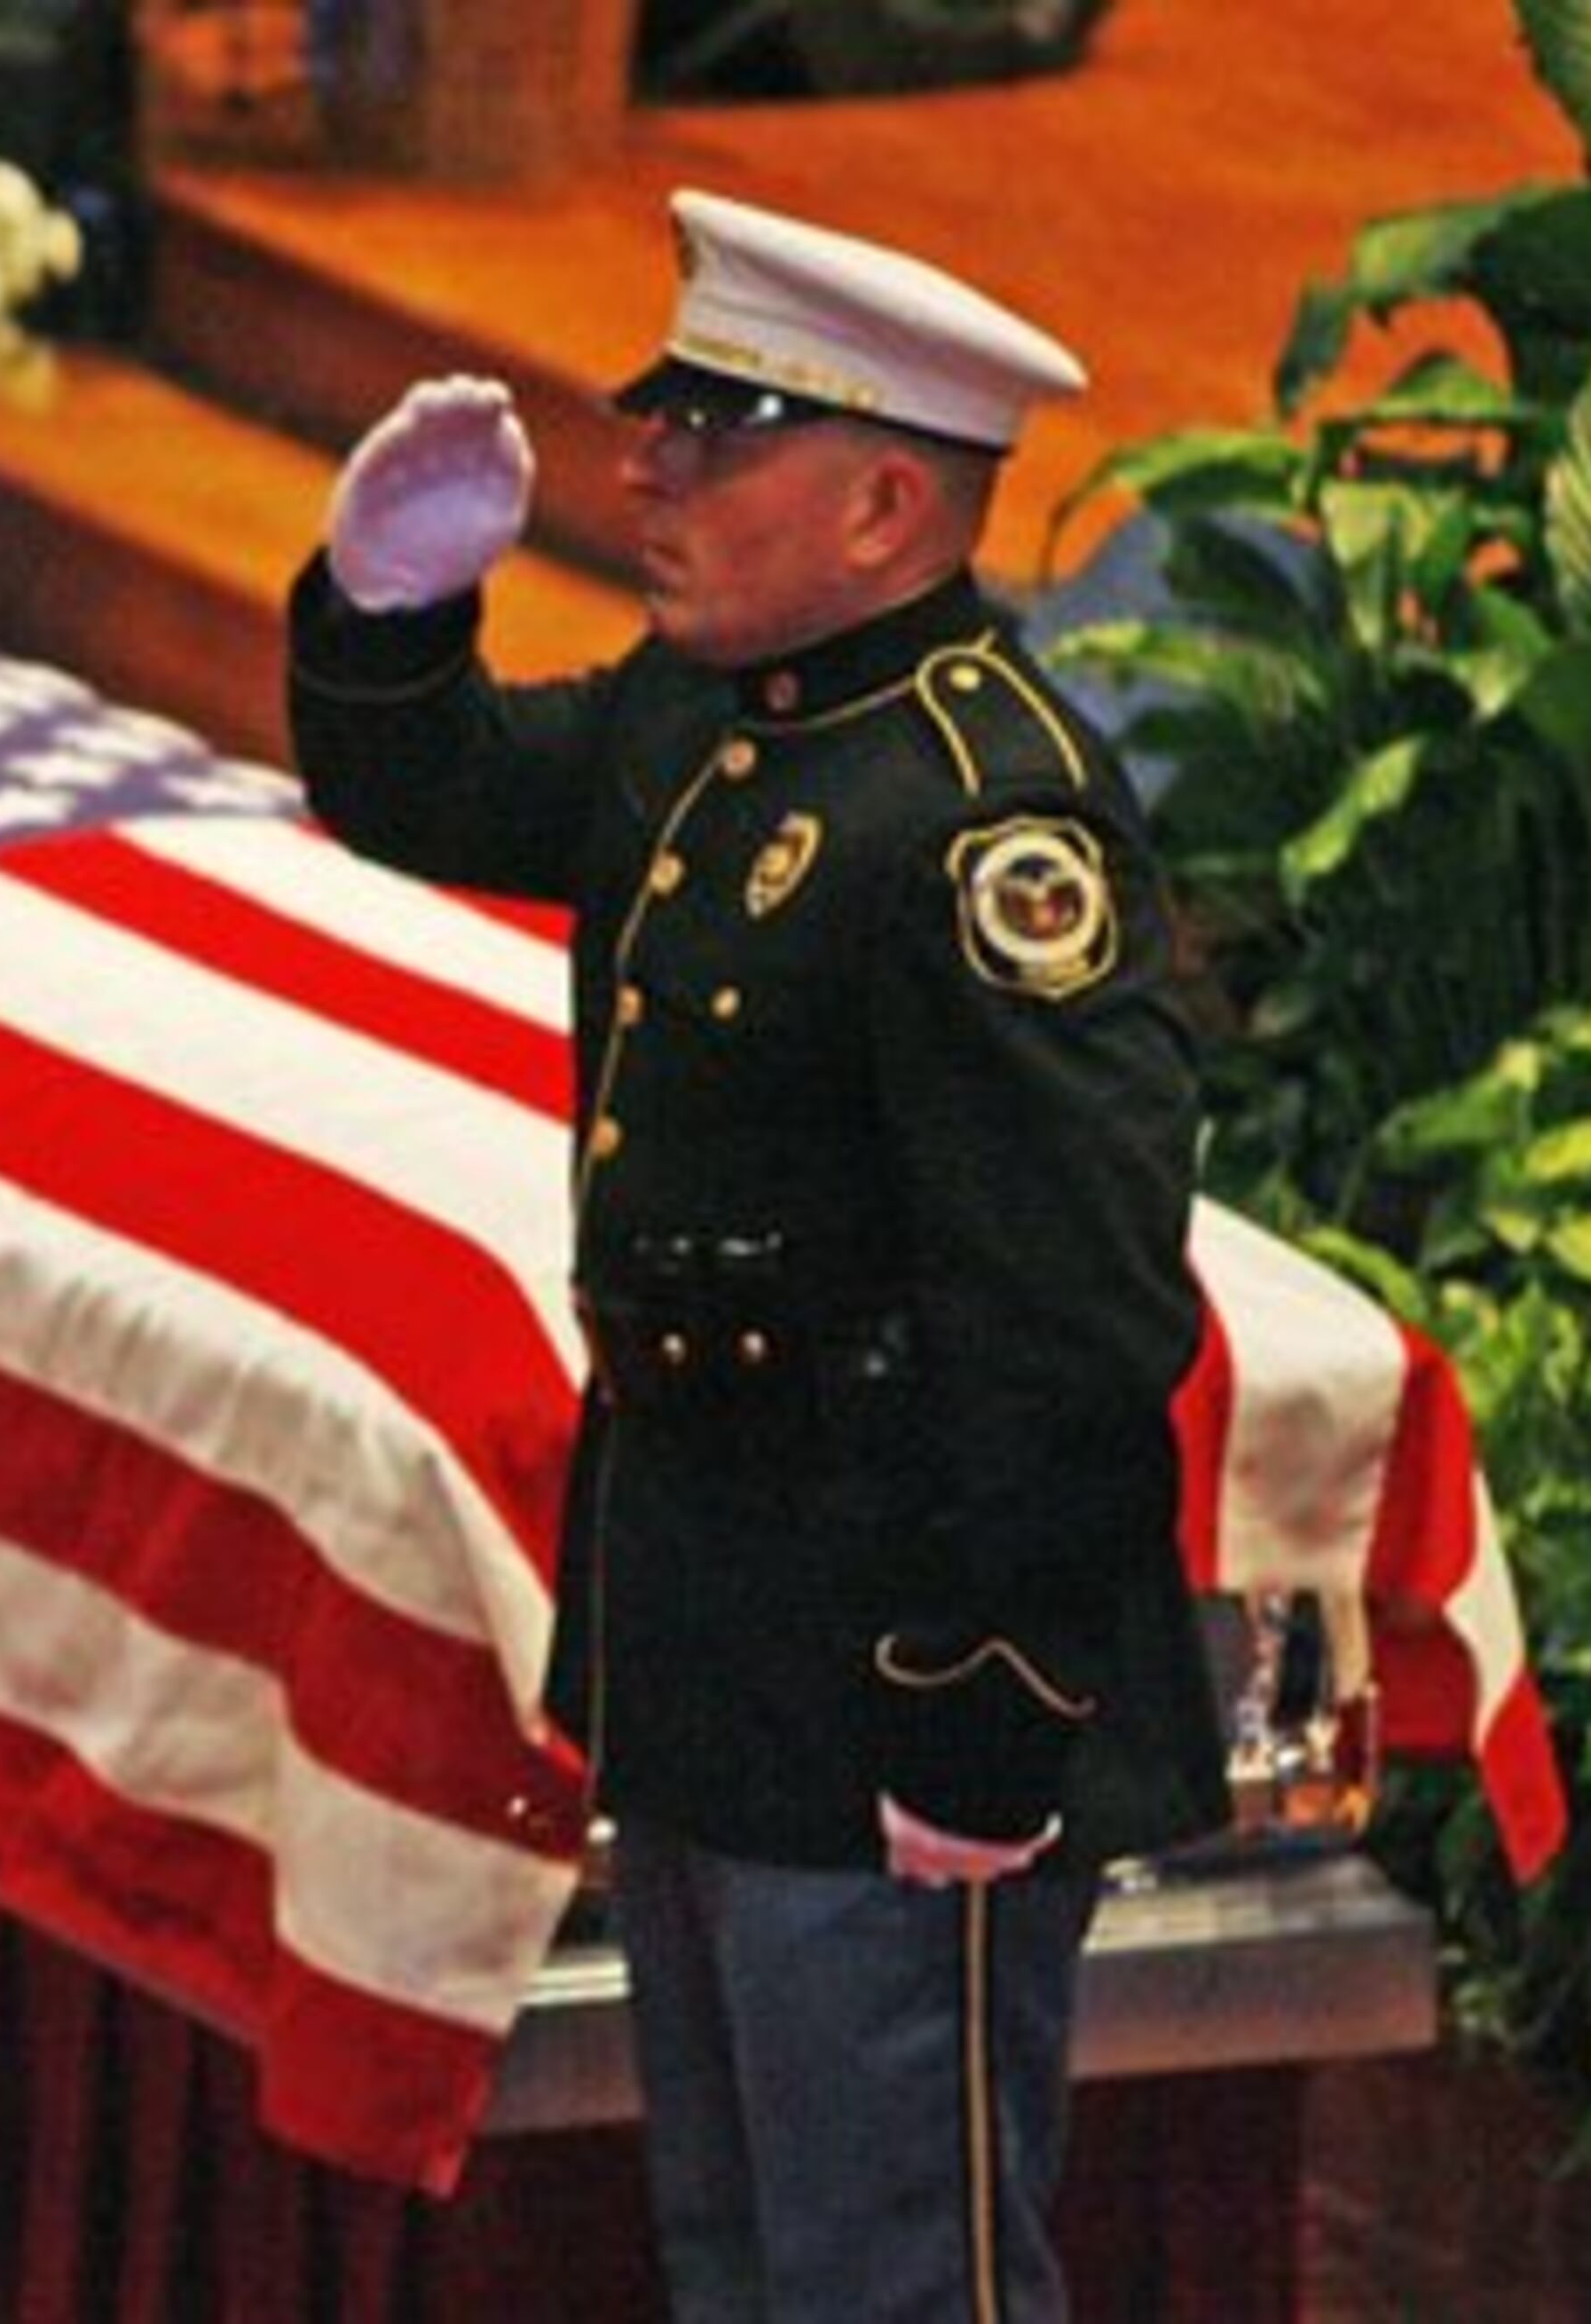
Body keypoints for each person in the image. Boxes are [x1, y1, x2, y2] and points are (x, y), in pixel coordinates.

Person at [286, 188, 1225, 2322]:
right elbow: (441, 785)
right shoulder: (706, 714)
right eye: (662, 420)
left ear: (889, 497)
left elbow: (1070, 1319)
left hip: (901, 1651)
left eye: (720, 433)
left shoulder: (989, 825)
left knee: (896, 2270)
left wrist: (985, 1711)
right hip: (709, 1609)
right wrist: (385, 610)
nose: (648, 468)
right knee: (737, 2253)